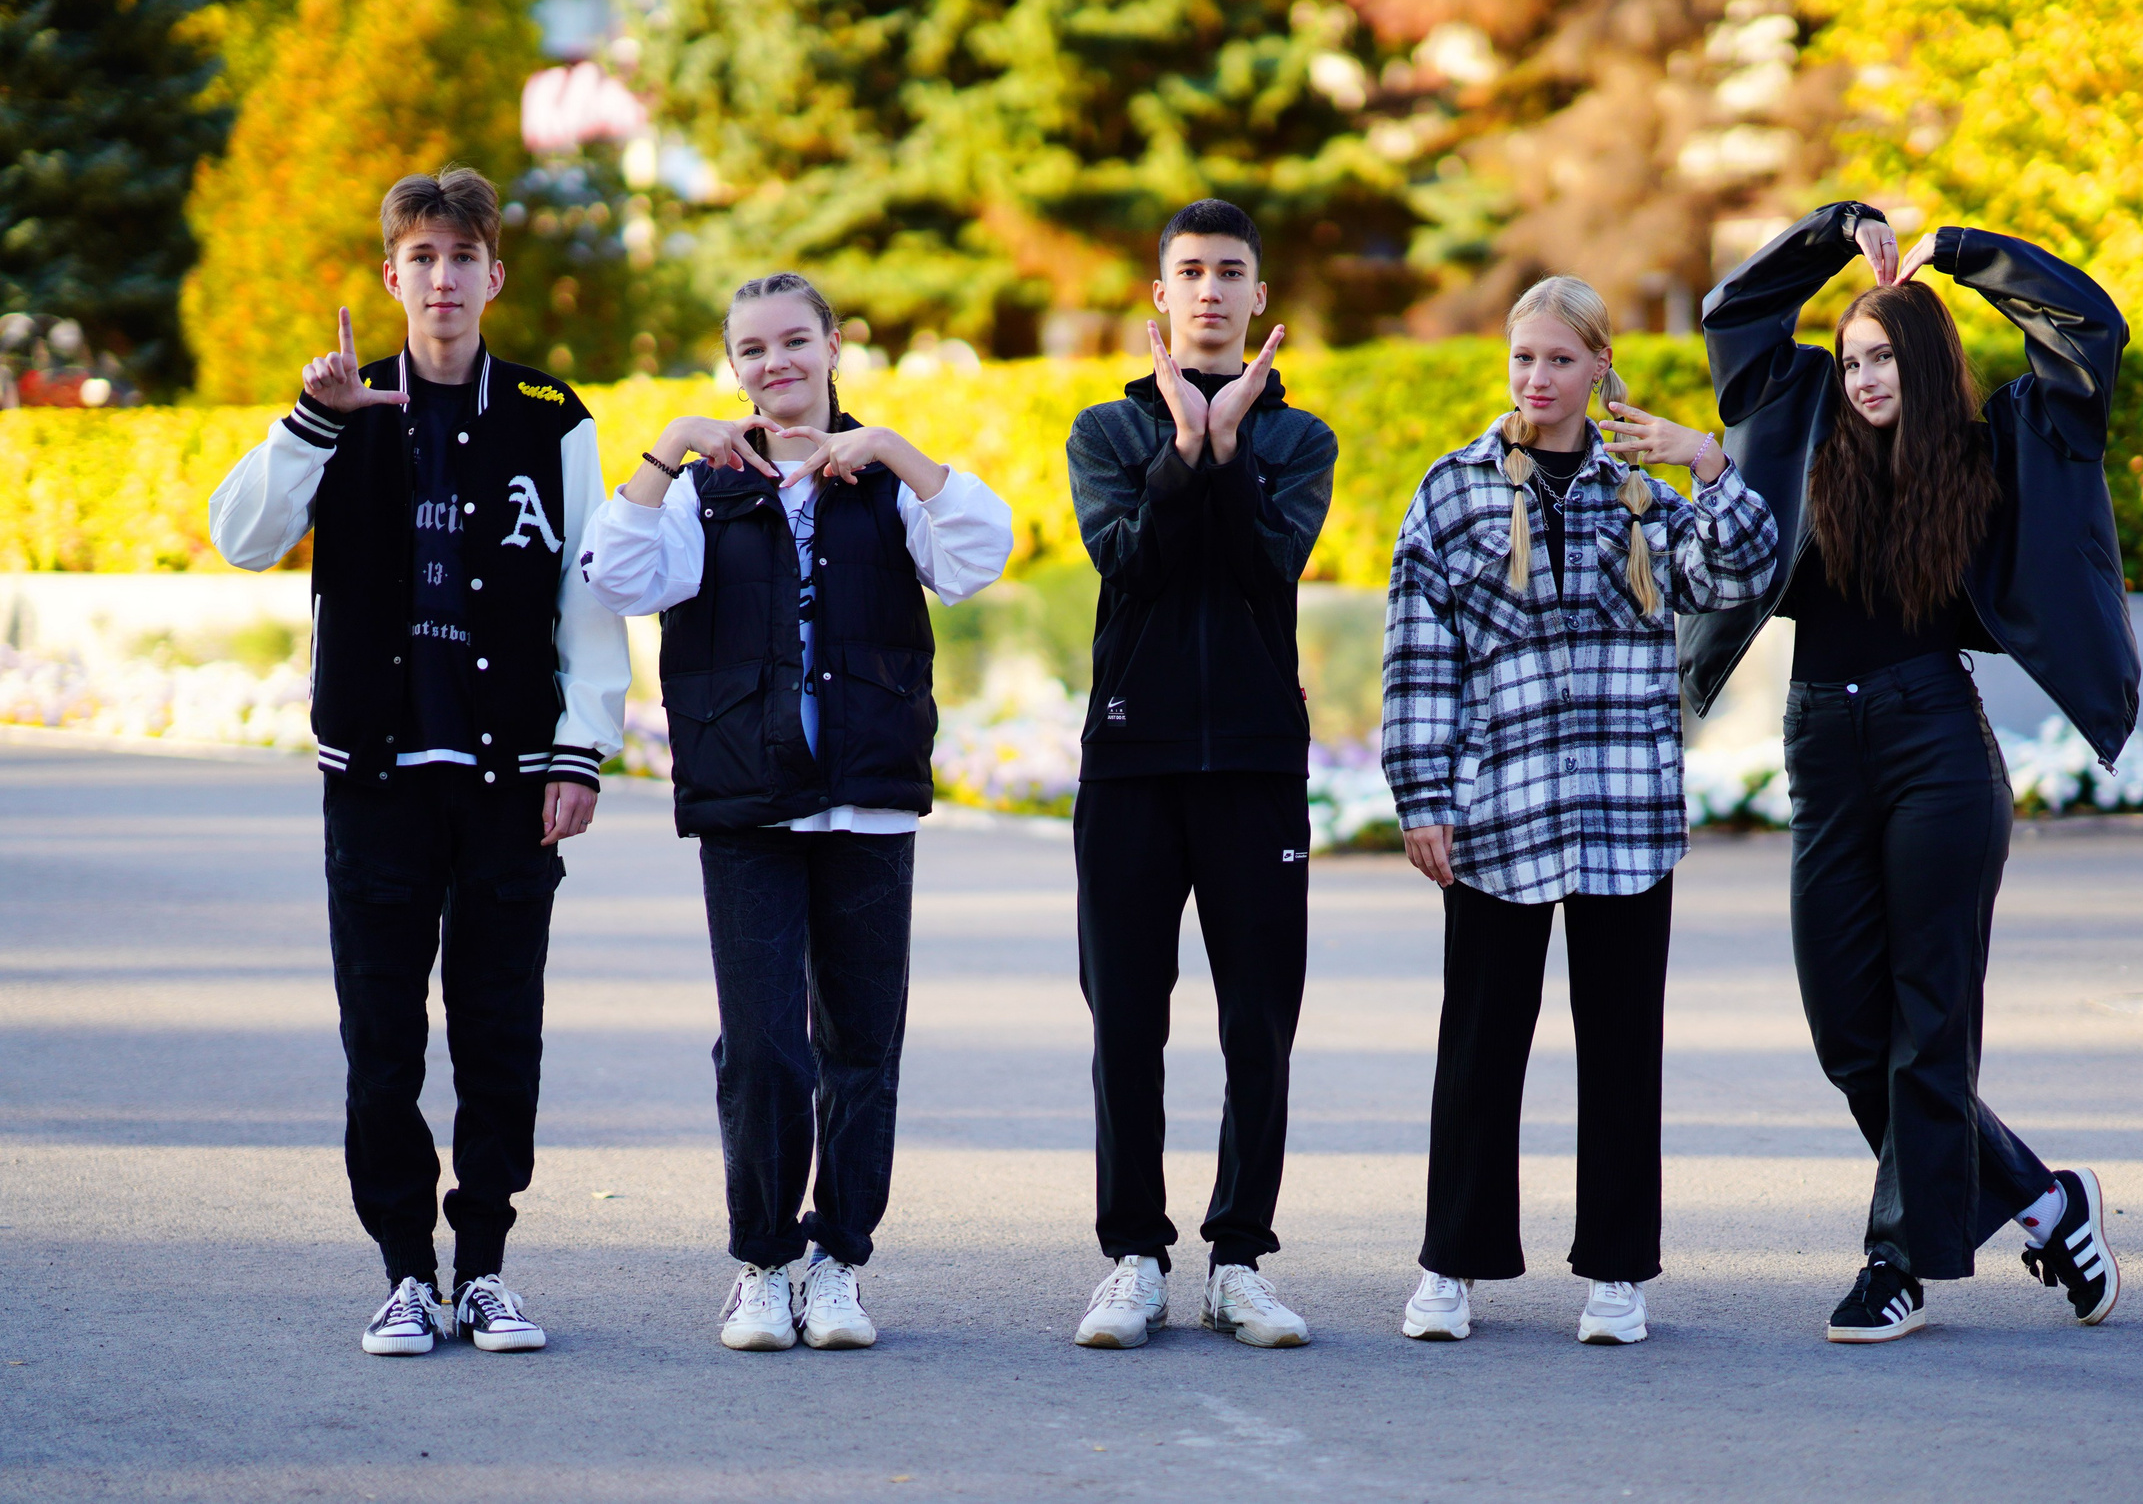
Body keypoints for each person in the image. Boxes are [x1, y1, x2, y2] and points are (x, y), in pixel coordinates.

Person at [1685, 204, 2135, 1343]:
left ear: (1923, 362)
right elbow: (1734, 310)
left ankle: (1897, 1264)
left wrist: (1964, 253)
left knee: (1925, 1027)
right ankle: (2042, 1200)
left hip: (1937, 742)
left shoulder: (1995, 447)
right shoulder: (1794, 422)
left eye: (1882, 357)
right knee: (1849, 1031)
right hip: (1821, 744)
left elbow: (2088, 329)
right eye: (1849, 358)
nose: (1861, 377)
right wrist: (1838, 230)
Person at [209, 167, 630, 1356]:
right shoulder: (346, 404)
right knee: (382, 1036)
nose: (442, 279)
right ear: (392, 276)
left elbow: (586, 594)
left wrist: (579, 750)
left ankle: (486, 1264)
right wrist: (313, 422)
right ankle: (404, 1269)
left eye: (463, 258)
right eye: (421, 258)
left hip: (506, 784)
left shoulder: (553, 416)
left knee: (500, 1033)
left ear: (495, 276)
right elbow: (239, 537)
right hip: (380, 781)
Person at [576, 273, 1011, 1351]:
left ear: (830, 350)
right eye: (752, 351)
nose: (774, 366)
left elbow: (976, 553)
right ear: (733, 368)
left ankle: (838, 1263)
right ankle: (763, 1261)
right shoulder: (700, 487)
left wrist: (899, 453)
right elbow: (613, 574)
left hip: (867, 804)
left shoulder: (885, 482)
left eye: (794, 343)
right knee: (767, 1046)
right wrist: (666, 445)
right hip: (749, 805)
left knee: (862, 1044)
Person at [1380, 276, 1780, 1345]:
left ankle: (1617, 1273)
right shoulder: (1453, 490)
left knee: (1619, 1048)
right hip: (1498, 810)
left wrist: (1703, 458)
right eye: (1523, 359)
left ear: (1599, 365)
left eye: (1560, 359)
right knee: (1477, 1046)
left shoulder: (1641, 491)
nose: (1537, 379)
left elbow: (1742, 572)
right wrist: (1422, 798)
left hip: (1623, 810)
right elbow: (1419, 659)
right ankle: (1451, 1268)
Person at [1062, 199, 1337, 1349]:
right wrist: (1182, 447)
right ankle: (1133, 1255)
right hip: (1132, 760)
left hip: (1257, 764)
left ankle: (1239, 1259)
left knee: (1258, 1025)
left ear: (1260, 298)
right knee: (1126, 1019)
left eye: (1232, 273)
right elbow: (1131, 564)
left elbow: (1266, 561)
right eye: (1191, 273)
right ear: (1159, 300)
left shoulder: (1302, 439)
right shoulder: (1105, 433)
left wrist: (1226, 446)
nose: (1212, 291)